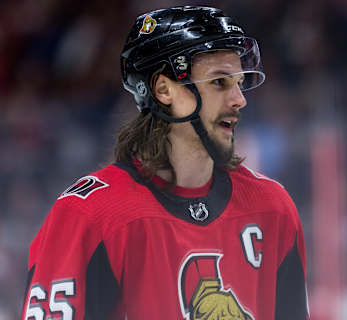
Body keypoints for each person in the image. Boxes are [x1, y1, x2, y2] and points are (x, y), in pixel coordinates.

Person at [21, 6, 309, 320]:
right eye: (219, 82)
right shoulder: (89, 215)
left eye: (239, 82)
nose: (239, 99)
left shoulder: (272, 208)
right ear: (163, 89)